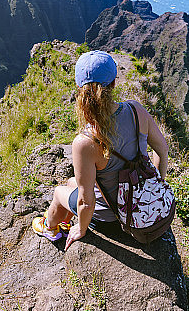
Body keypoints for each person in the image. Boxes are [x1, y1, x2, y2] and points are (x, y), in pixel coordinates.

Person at [32, 50, 169, 250]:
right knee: (72, 182)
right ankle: (63, 221)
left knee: (59, 192)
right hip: (140, 200)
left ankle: (50, 228)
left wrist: (82, 228)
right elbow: (162, 150)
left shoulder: (85, 142)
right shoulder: (136, 110)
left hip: (112, 217)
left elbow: (87, 203)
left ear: (80, 88)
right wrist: (156, 185)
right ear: (113, 83)